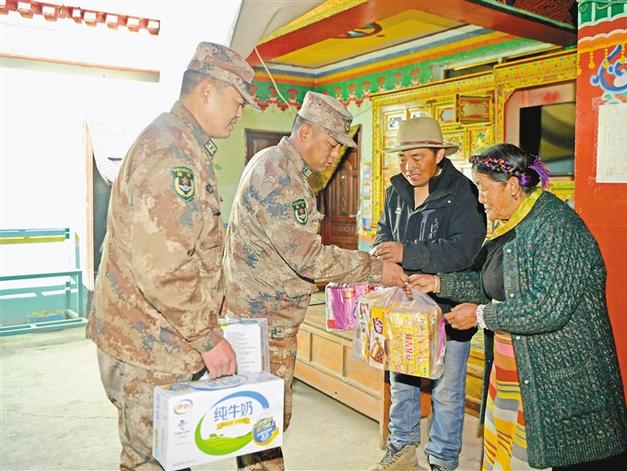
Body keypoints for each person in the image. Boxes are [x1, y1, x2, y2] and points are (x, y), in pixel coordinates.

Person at [86, 42, 260, 470]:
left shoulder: (182, 143)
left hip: (156, 335)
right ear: (207, 90)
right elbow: (163, 267)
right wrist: (208, 337)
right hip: (148, 343)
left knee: (166, 455)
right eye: (237, 101)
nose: (240, 113)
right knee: (151, 459)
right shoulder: (171, 153)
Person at [409, 143, 627, 470]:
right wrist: (438, 283)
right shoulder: (514, 224)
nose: (480, 198)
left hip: (561, 381)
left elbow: (546, 309)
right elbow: (493, 285)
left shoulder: (556, 228)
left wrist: (480, 315)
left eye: (484, 188)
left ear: (512, 187)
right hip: (517, 372)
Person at [223, 91, 409, 471]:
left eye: (340, 147)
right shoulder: (280, 176)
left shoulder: (277, 165)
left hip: (262, 316)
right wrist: (375, 268)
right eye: (331, 143)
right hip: (265, 324)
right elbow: (308, 257)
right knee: (265, 424)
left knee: (260, 423)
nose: (334, 155)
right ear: (305, 132)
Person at [369, 117, 486, 471]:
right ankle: (401, 448)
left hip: (449, 309)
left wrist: (407, 253)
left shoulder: (463, 192)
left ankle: (443, 460)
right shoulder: (395, 190)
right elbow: (383, 231)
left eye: (417, 157)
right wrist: (383, 251)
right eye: (403, 158)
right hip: (405, 307)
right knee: (401, 383)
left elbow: (464, 251)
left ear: (439, 154)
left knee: (447, 392)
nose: (409, 166)